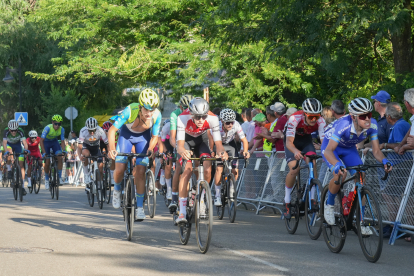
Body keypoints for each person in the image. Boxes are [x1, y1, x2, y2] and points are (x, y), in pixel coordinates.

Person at [322, 98, 392, 234]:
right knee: (340, 174)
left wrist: (385, 161)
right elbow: (328, 151)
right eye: (363, 116)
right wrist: (337, 164)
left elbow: (376, 151)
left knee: (361, 177)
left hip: (348, 149)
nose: (367, 119)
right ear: (353, 117)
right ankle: (329, 204)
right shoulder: (344, 124)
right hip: (332, 148)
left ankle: (361, 222)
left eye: (369, 115)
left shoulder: (372, 125)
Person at [108, 89, 162, 221]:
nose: (149, 113)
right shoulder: (130, 110)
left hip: (143, 138)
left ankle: (139, 208)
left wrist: (150, 148)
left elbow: (155, 136)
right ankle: (117, 189)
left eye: (152, 109)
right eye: (146, 109)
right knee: (120, 168)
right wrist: (112, 148)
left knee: (141, 170)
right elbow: (112, 130)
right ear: (140, 106)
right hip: (126, 136)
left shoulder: (157, 115)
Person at [175, 97, 228, 224]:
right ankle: (181, 211)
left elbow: (218, 144)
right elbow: (180, 145)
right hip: (186, 141)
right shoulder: (182, 118)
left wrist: (222, 152)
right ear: (191, 113)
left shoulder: (213, 118)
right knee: (187, 171)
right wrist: (183, 152)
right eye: (197, 117)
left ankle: (202, 198)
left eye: (203, 117)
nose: (200, 120)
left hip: (201, 140)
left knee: (208, 168)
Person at [283, 98, 326, 219]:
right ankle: (286, 201)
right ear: (304, 114)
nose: (314, 120)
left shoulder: (321, 121)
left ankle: (312, 199)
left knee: (313, 163)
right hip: (292, 141)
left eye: (316, 117)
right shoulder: (294, 118)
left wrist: (326, 153)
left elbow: (324, 143)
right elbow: (289, 143)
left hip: (306, 140)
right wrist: (296, 151)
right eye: (310, 117)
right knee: (294, 169)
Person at [213, 108, 250, 206]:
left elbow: (244, 140)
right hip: (218, 144)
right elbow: (213, 141)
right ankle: (217, 196)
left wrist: (246, 151)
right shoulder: (217, 125)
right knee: (219, 169)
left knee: (235, 169)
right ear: (222, 121)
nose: (230, 125)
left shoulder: (236, 125)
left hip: (230, 144)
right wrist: (215, 152)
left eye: (232, 122)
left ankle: (232, 188)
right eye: (228, 122)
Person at [168, 94, 194, 212]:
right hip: (180, 140)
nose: (187, 111)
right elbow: (172, 138)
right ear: (180, 106)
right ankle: (173, 198)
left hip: (193, 139)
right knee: (179, 167)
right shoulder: (175, 114)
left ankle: (195, 192)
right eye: (185, 108)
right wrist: (179, 148)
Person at [77, 117, 108, 192]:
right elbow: (79, 146)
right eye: (90, 130)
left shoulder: (100, 130)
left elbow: (107, 143)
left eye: (93, 130)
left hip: (96, 147)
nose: (91, 133)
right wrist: (80, 156)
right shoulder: (83, 131)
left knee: (100, 168)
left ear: (96, 128)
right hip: (86, 146)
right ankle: (87, 174)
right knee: (85, 155)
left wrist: (109, 152)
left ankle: (100, 184)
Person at [3, 120, 29, 194]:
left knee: (21, 165)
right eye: (12, 130)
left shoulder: (21, 131)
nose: (14, 132)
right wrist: (6, 152)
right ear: (9, 129)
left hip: (18, 145)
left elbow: (24, 142)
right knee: (9, 153)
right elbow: (4, 143)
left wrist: (26, 150)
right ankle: (9, 170)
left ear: (17, 129)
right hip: (9, 144)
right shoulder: (6, 131)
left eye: (15, 130)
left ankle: (23, 186)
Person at [40, 115, 66, 189]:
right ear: (52, 123)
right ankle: (47, 179)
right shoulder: (48, 128)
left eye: (59, 124)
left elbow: (63, 141)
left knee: (60, 157)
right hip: (46, 143)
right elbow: (41, 141)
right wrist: (44, 152)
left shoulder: (62, 129)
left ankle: (60, 177)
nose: (57, 126)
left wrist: (64, 150)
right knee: (47, 162)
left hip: (54, 142)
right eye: (55, 124)